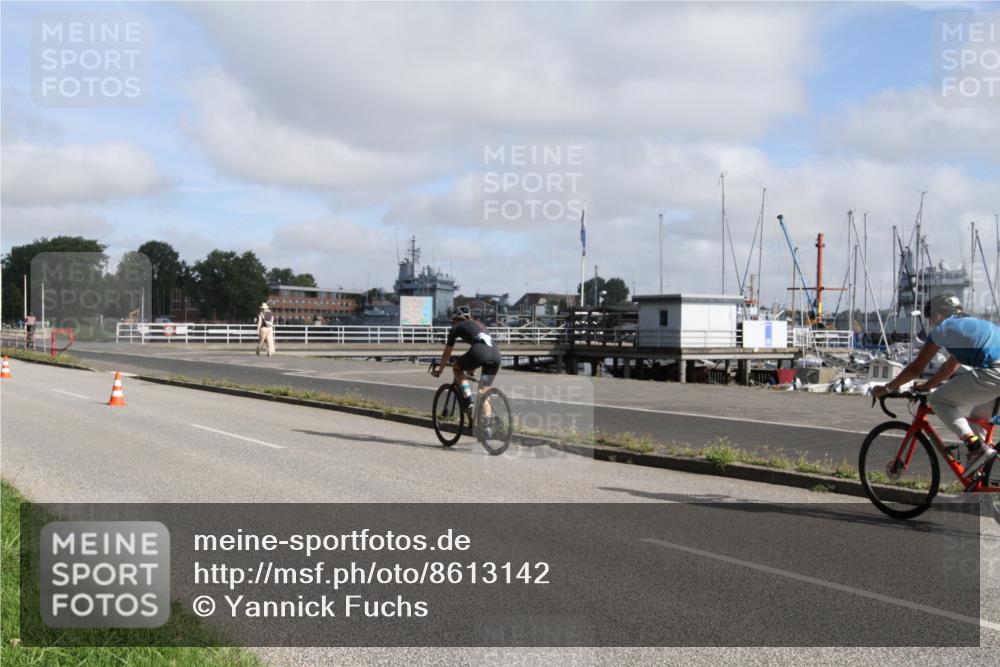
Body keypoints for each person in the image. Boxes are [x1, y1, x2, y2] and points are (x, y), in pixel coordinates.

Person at [873, 294, 1000, 476]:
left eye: (930, 318)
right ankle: (979, 481)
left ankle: (975, 447)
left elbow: (915, 369)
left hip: (994, 373)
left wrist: (886, 389)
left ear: (938, 315)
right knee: (976, 424)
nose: (931, 323)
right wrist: (927, 385)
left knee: (938, 400)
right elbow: (950, 365)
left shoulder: (943, 328)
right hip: (995, 374)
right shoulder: (971, 326)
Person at [431, 306, 501, 416]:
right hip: (496, 354)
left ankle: (468, 399)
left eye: (453, 321)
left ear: (455, 319)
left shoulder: (457, 327)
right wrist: (472, 368)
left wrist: (440, 370)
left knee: (457, 368)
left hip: (480, 352)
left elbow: (447, 353)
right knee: (484, 390)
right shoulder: (479, 324)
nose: (453, 323)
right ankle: (487, 422)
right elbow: (481, 347)